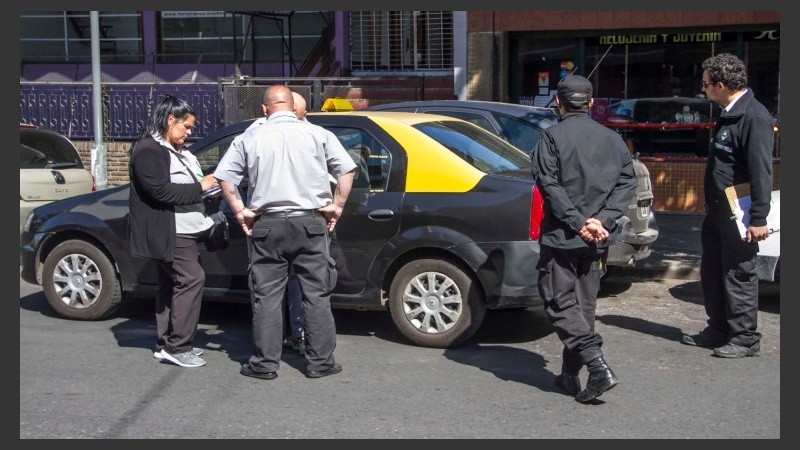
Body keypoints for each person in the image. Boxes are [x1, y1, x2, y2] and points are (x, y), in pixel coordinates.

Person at [214, 84, 356, 380]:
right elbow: (347, 169)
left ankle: (265, 364)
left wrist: (241, 211)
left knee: (267, 297)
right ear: (293, 107)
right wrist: (337, 205)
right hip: (310, 222)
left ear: (264, 109)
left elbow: (225, 176)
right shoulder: (318, 134)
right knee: (316, 294)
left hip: (268, 224)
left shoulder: (249, 137)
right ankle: (321, 363)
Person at [531, 75, 637, 403]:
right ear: (590, 104)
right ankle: (568, 375)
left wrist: (580, 223)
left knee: (558, 300)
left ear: (558, 104)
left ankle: (596, 365)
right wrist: (601, 221)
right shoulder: (612, 139)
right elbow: (627, 182)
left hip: (564, 237)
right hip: (594, 238)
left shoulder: (550, 137)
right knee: (584, 304)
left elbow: (549, 185)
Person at [681, 53, 774, 358]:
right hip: (719, 208)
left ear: (721, 85)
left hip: (741, 211)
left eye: (706, 85)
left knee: (738, 273)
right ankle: (719, 328)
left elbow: (761, 170)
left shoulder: (754, 117)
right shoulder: (730, 112)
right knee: (713, 270)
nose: (703, 90)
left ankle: (745, 338)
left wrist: (758, 217)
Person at [128, 95, 219, 368]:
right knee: (192, 279)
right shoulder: (148, 151)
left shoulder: (171, 149)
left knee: (172, 285)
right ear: (170, 120)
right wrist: (201, 187)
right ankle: (178, 347)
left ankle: (166, 343)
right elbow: (160, 191)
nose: (189, 133)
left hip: (184, 229)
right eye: (186, 126)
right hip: (171, 231)